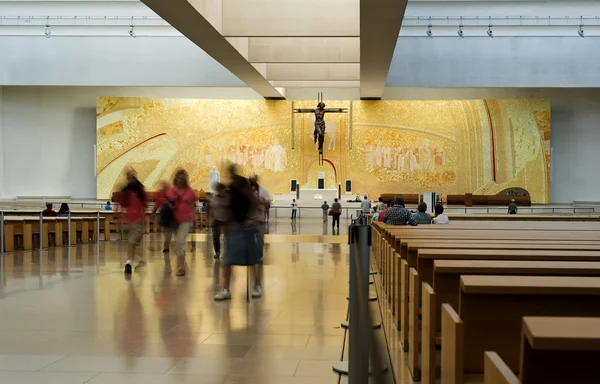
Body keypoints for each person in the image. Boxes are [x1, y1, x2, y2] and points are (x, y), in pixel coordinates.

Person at [214, 164, 257, 301]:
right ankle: (226, 289)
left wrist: (250, 218)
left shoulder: (242, 185)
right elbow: (228, 207)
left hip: (243, 226)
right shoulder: (231, 188)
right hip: (233, 226)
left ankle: (254, 286)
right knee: (228, 260)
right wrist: (227, 222)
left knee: (250, 259)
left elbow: (253, 202)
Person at [164, 169, 196, 276]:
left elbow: (193, 205)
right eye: (179, 178)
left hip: (186, 220)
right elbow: (168, 202)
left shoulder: (189, 191)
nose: (181, 180)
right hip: (175, 221)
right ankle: (181, 262)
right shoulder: (172, 191)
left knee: (180, 240)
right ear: (176, 178)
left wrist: (194, 219)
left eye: (183, 178)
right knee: (179, 243)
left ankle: (181, 267)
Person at [120, 170, 148, 274]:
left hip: (138, 221)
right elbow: (122, 204)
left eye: (133, 176)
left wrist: (143, 216)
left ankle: (129, 263)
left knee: (132, 242)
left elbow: (145, 202)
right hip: (128, 220)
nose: (131, 178)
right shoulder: (125, 190)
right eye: (129, 177)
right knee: (133, 243)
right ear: (127, 178)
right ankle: (140, 260)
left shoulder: (140, 189)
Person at [249, 174, 270, 296]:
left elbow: (268, 205)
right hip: (249, 221)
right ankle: (253, 256)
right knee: (250, 242)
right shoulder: (247, 191)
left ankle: (259, 254)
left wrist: (262, 201)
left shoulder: (263, 190)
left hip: (260, 220)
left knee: (260, 241)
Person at [209, 183, 229, 259]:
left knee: (227, 237)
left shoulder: (227, 198)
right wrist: (211, 217)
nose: (220, 192)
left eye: (221, 190)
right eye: (218, 190)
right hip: (216, 220)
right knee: (215, 237)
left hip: (225, 220)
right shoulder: (214, 197)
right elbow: (211, 208)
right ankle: (217, 251)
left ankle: (227, 252)